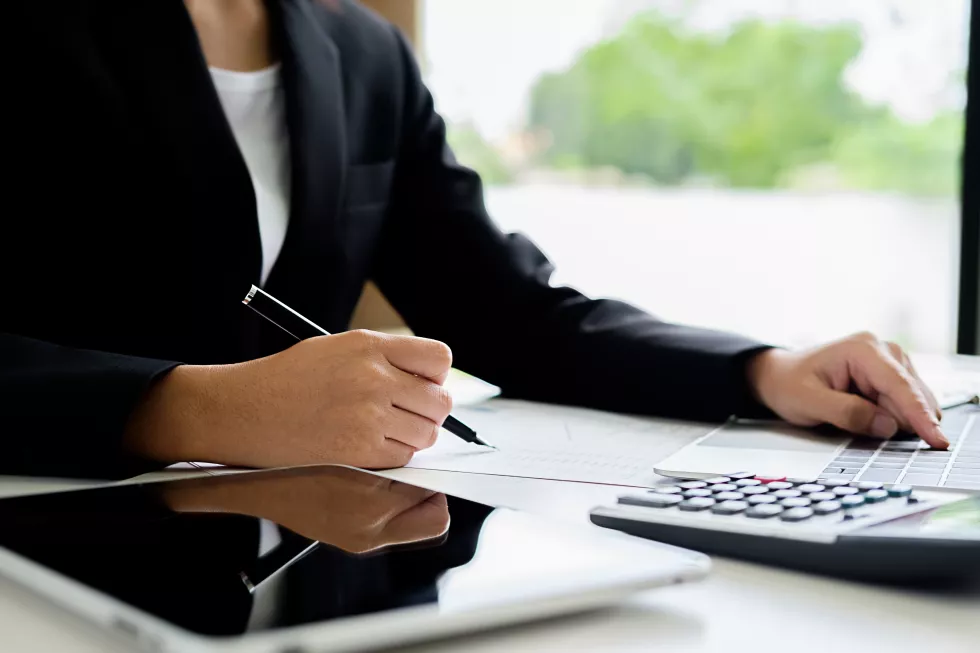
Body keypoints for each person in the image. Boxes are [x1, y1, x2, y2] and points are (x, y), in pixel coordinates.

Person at [1, 0, 946, 479]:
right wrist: (189, 410)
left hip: (298, 549)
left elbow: (511, 314)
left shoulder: (365, 54)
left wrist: (761, 369)